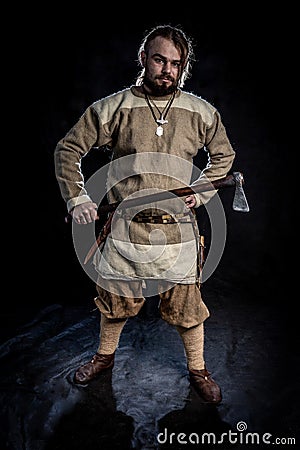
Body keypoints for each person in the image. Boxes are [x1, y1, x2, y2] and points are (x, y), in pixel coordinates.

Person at [54, 24, 235, 405]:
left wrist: (201, 193)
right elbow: (68, 151)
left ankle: (198, 370)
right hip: (124, 231)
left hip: (179, 233)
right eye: (159, 59)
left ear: (182, 67)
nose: (167, 69)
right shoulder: (113, 108)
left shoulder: (201, 112)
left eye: (175, 63)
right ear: (144, 59)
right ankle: (104, 359)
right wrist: (78, 198)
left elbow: (224, 157)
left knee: (187, 309)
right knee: (115, 303)